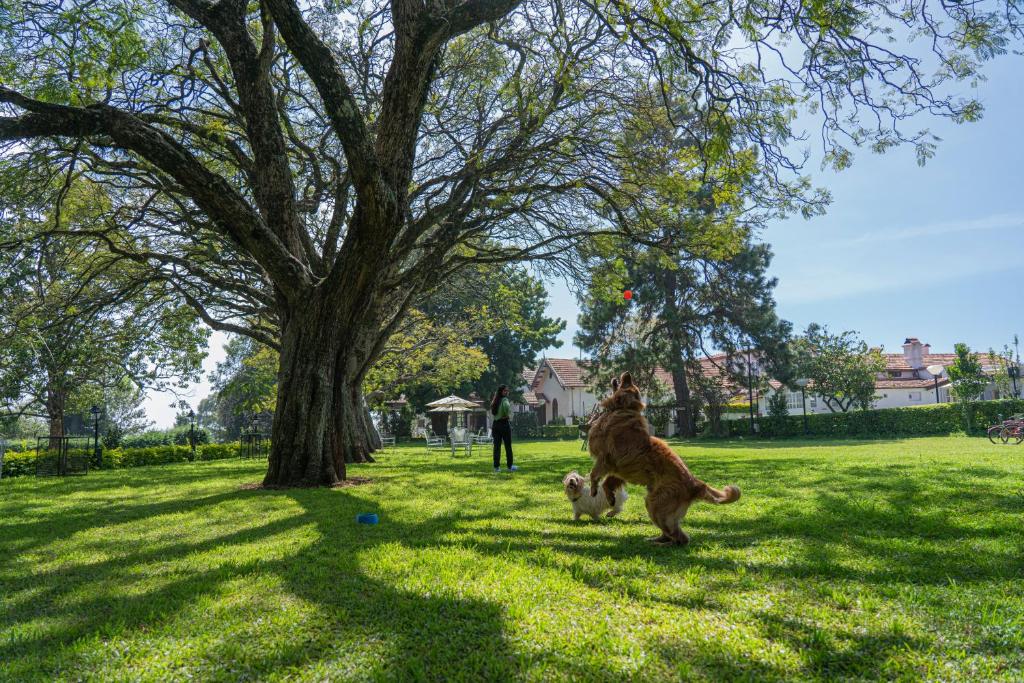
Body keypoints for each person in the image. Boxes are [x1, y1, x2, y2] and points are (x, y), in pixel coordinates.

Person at [490, 385, 517, 472]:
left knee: (496, 447)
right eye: (505, 391)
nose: (507, 392)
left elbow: (493, 412)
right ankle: (510, 466)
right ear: (501, 391)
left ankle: (496, 467)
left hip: (495, 425)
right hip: (504, 424)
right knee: (508, 446)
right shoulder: (505, 400)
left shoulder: (495, 400)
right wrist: (508, 415)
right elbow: (506, 408)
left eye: (507, 391)